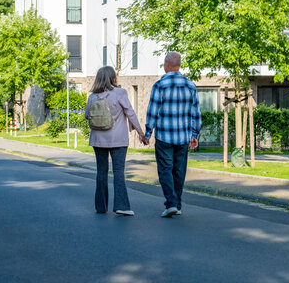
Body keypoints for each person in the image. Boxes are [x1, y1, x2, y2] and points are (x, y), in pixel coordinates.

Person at [142, 52, 202, 217]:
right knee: (179, 170)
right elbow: (195, 113)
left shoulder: (160, 85)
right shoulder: (190, 85)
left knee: (165, 170)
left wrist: (147, 133)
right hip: (183, 136)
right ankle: (178, 204)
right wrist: (194, 134)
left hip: (164, 136)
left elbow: (153, 111)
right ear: (179, 65)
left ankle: (171, 203)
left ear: (166, 65)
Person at [85, 66, 145, 216]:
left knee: (101, 171)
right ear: (113, 77)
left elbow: (87, 115)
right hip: (118, 139)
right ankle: (121, 206)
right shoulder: (120, 93)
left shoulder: (93, 96)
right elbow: (130, 113)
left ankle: (101, 206)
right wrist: (140, 132)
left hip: (98, 139)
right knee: (118, 172)